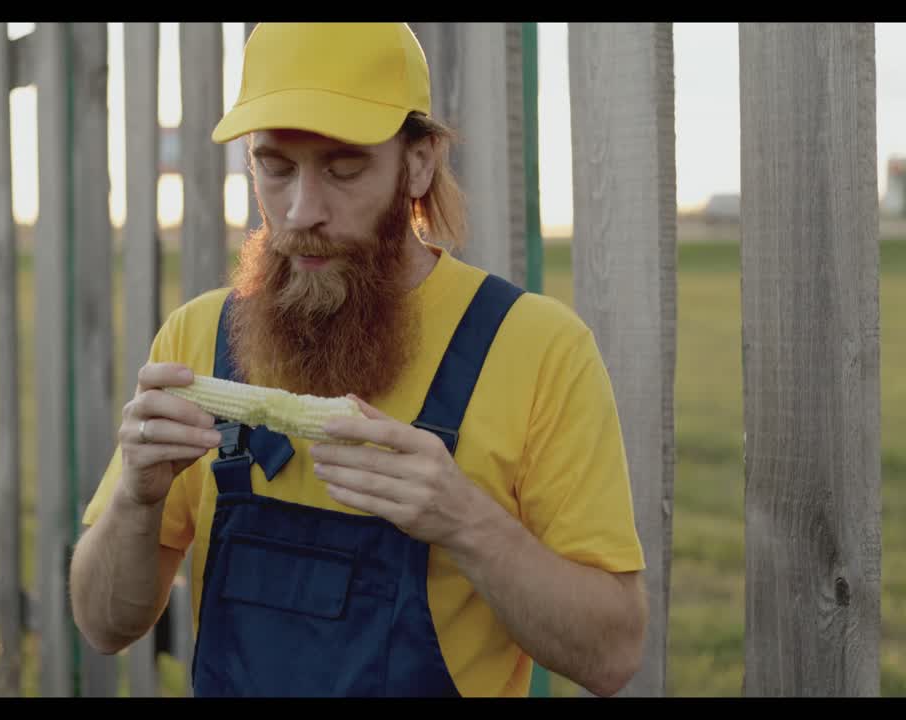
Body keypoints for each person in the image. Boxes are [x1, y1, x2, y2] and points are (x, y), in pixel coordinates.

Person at [69, 22, 648, 698]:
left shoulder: (537, 350)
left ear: (420, 161)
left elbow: (612, 654)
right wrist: (138, 501)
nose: (302, 210)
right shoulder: (200, 338)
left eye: (344, 168)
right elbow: (102, 625)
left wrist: (464, 520)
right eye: (275, 166)